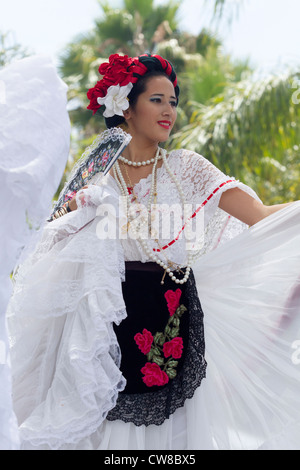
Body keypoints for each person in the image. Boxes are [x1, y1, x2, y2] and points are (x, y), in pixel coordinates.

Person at [7, 53, 300, 450]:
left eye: (173, 101)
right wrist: (79, 209)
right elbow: (49, 237)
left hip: (171, 318)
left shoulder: (189, 168)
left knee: (171, 440)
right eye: (157, 100)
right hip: (102, 321)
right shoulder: (99, 169)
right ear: (126, 106)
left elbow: (260, 215)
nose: (169, 111)